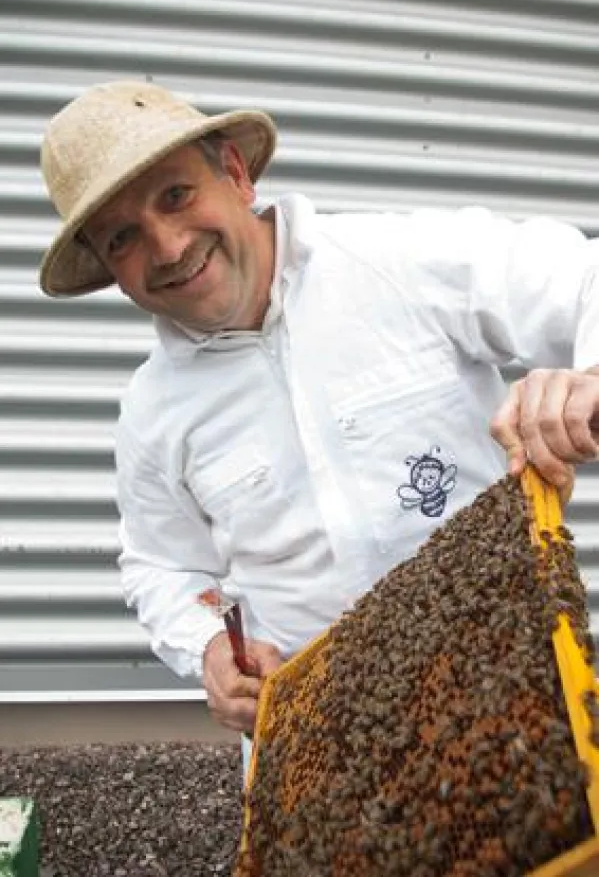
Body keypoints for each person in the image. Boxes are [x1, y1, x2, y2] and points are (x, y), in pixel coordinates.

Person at [39, 80, 599, 760]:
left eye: (176, 195)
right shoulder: (151, 412)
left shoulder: (397, 262)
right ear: (109, 268)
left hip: (510, 699)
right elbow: (160, 564)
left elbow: (581, 278)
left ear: (237, 175)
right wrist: (210, 647)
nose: (167, 246)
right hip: (319, 751)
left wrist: (587, 380)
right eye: (124, 236)